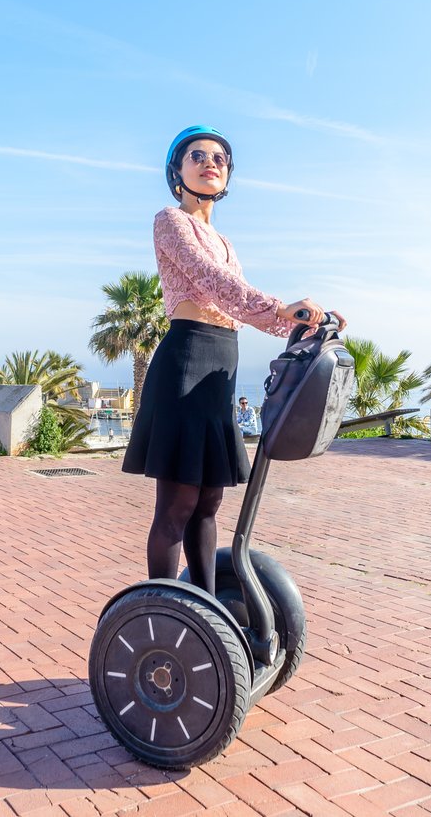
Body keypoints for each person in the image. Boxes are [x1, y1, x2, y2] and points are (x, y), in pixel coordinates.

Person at [121, 125, 344, 592]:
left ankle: (206, 605)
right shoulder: (170, 220)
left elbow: (238, 306)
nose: (211, 163)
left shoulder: (225, 242)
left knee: (208, 504)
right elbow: (210, 283)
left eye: (220, 158)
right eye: (197, 156)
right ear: (176, 172)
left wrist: (301, 325)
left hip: (222, 366)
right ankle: (163, 609)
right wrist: (280, 308)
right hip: (187, 359)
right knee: (176, 505)